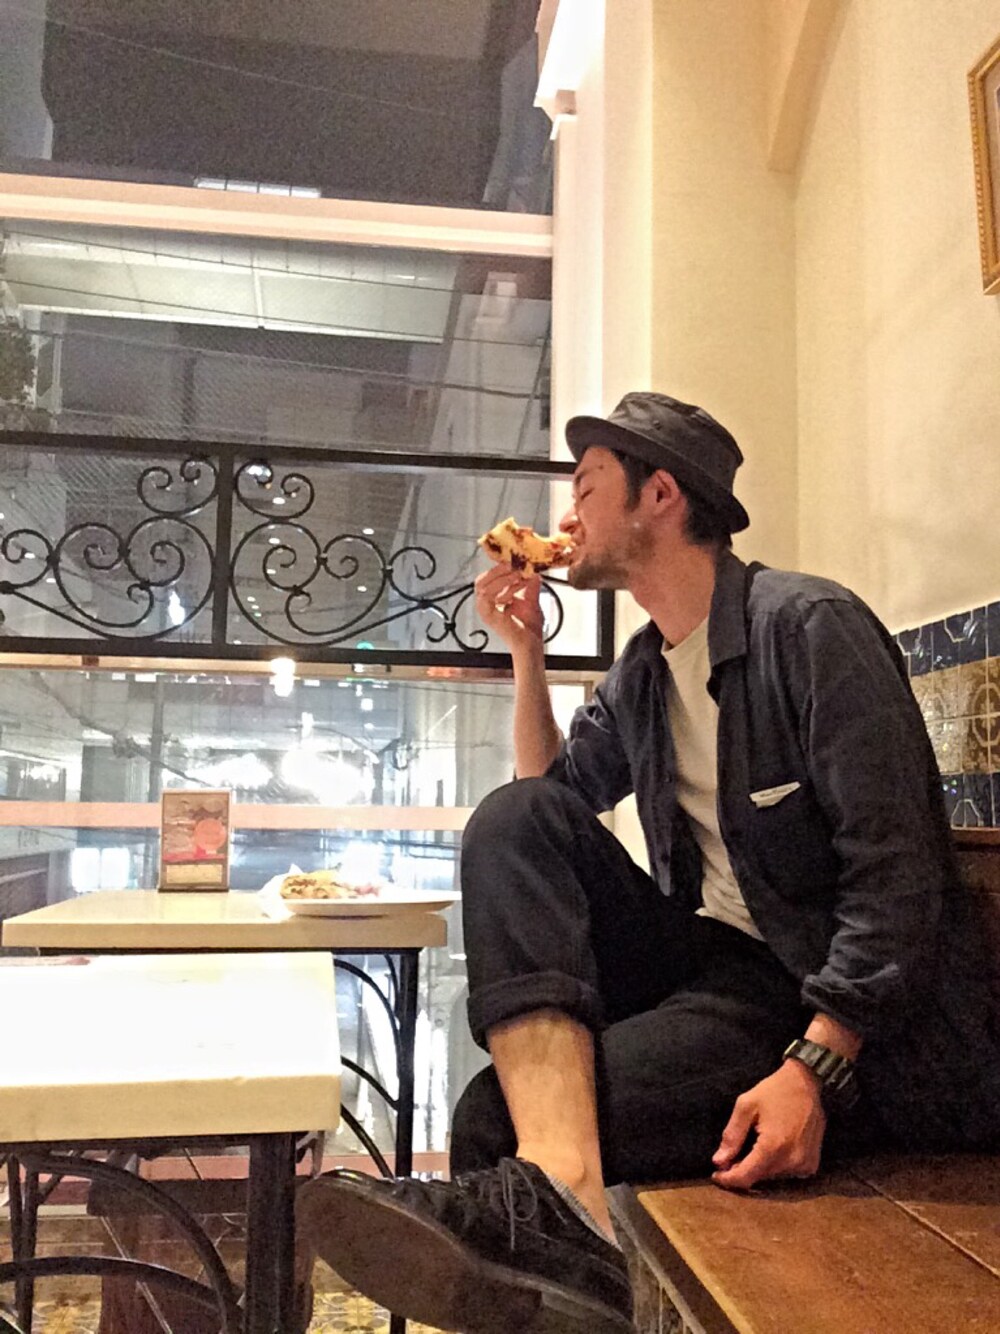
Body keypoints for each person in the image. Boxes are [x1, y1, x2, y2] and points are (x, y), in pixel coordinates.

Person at [298, 392, 1000, 1334]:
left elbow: (898, 875)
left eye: (587, 487)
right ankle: (569, 1200)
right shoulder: (644, 671)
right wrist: (526, 656)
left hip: (839, 1017)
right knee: (512, 820)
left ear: (660, 495)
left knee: (488, 1123)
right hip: (719, 970)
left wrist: (815, 1070)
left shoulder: (809, 628)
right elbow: (548, 802)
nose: (567, 517)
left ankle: (566, 1220)